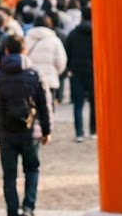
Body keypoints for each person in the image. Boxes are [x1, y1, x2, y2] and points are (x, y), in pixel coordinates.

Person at [0, 35, 53, 216]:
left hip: (5, 131)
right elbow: (44, 105)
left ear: (5, 51)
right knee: (32, 170)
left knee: (9, 175)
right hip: (31, 131)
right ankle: (29, 207)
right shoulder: (34, 73)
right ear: (24, 51)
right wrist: (47, 130)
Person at [64, 7, 95, 142]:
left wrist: (69, 68)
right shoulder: (96, 33)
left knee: (78, 103)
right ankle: (94, 130)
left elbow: (67, 52)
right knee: (94, 102)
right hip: (93, 71)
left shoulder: (73, 34)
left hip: (76, 71)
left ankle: (79, 133)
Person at [24, 16, 68, 107]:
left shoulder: (26, 39)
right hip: (49, 79)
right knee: (48, 109)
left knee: (32, 108)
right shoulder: (55, 40)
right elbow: (61, 60)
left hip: (30, 78)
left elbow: (22, 58)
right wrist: (56, 73)